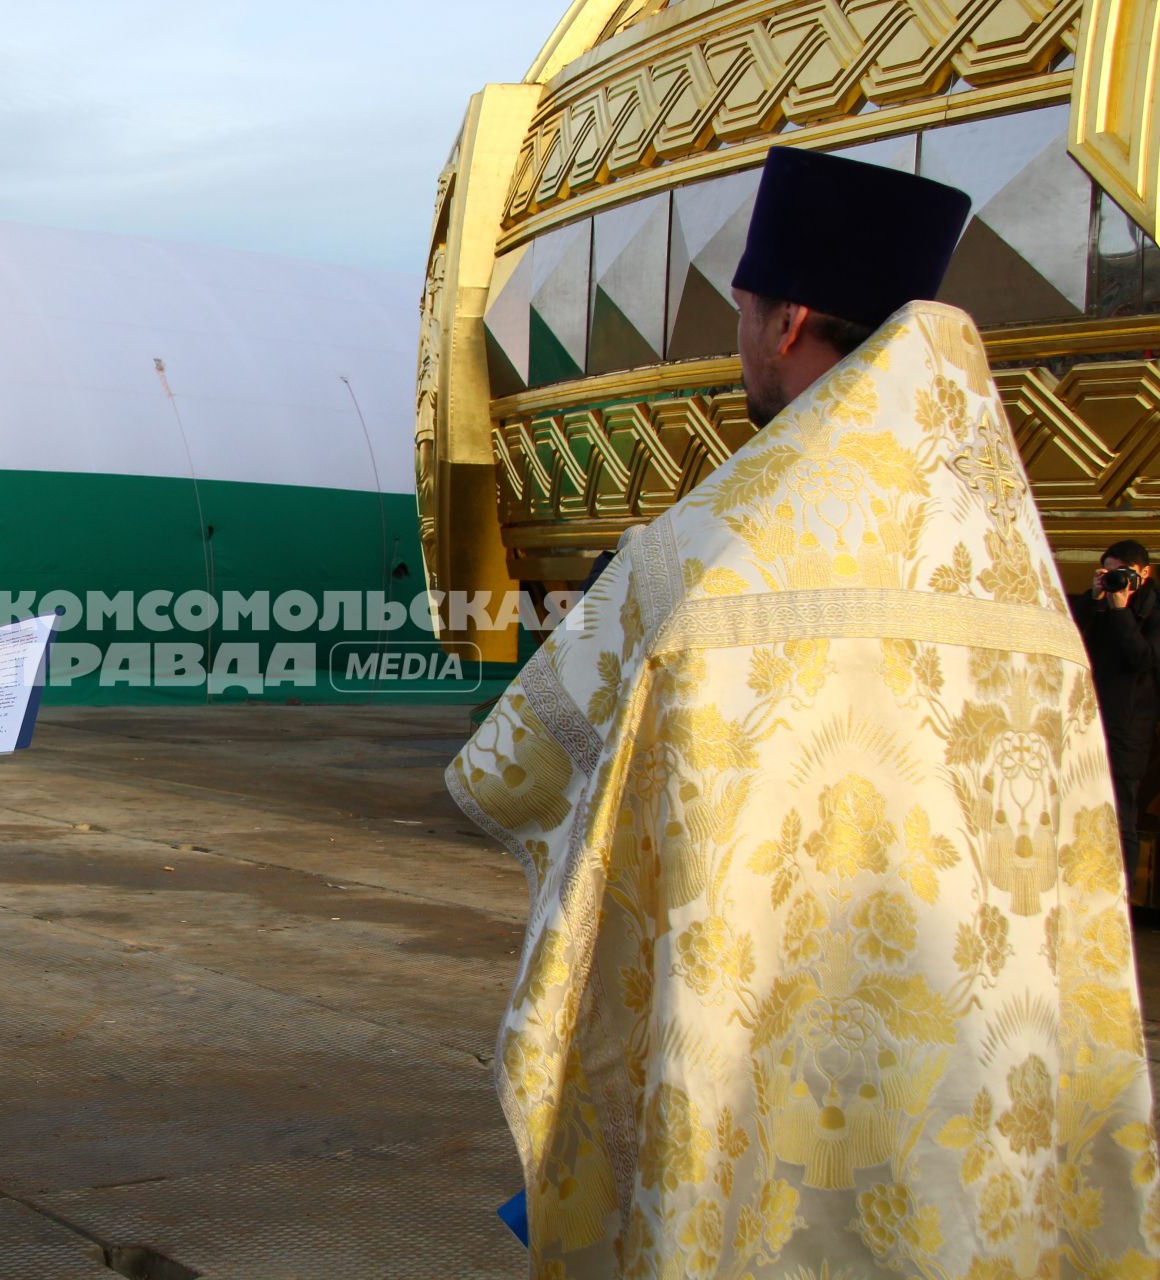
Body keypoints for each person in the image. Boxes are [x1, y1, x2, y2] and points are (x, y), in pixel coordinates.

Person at [448, 146, 1159, 1270]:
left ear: (786, 324)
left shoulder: (695, 557)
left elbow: (505, 765)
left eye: (740, 314)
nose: (739, 340)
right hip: (970, 1105)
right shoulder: (1020, 585)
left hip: (763, 1092)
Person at [1070, 540, 1160, 877]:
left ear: (1144, 573)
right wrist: (1093, 601)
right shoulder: (1098, 604)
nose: (1116, 580)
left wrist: (1121, 611)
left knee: (1122, 818)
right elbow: (1069, 640)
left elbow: (1141, 660)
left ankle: (1122, 902)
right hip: (1089, 721)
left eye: (1123, 573)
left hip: (1128, 731)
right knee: (1081, 808)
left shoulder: (1154, 611)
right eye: (1109, 572)